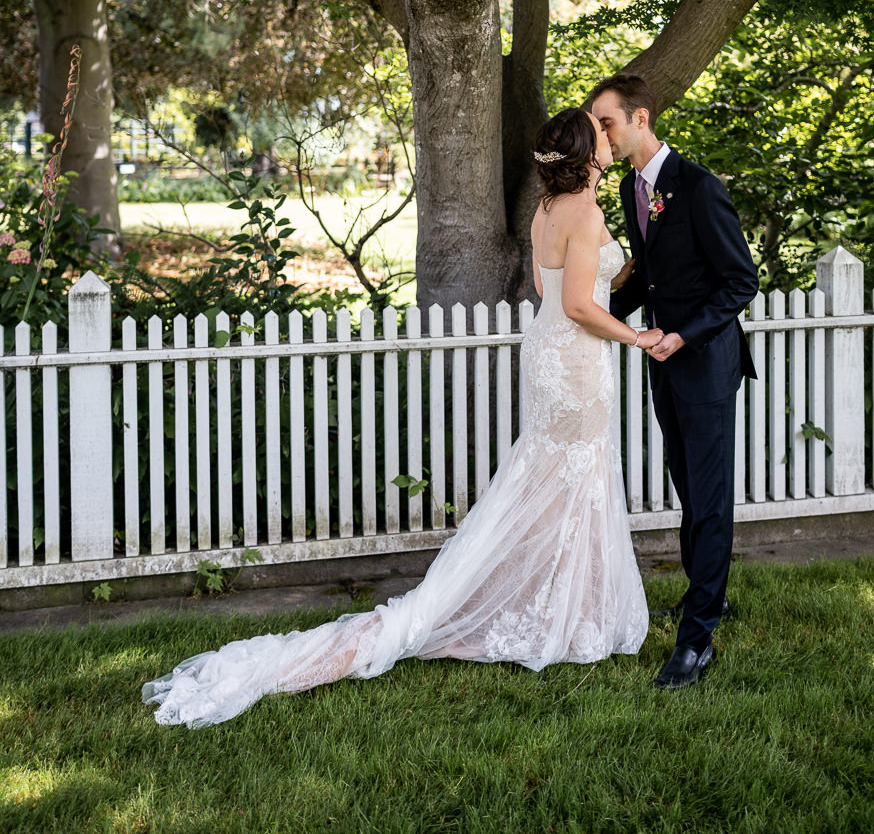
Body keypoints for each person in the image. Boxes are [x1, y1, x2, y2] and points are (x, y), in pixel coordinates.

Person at [143, 107, 659, 728]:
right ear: (586, 151)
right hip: (577, 362)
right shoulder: (587, 211)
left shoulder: (547, 211)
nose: (609, 139)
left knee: (551, 483)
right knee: (571, 482)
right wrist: (637, 338)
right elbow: (578, 304)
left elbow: (554, 295)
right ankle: (568, 613)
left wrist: (629, 271)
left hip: (548, 355)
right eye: (600, 133)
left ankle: (567, 605)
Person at [590, 73, 759, 691]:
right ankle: (701, 601)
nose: (600, 134)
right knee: (689, 489)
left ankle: (697, 640)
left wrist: (683, 335)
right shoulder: (635, 188)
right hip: (663, 363)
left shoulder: (697, 187)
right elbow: (650, 281)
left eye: (606, 122)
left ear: (641, 118)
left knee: (710, 498)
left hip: (704, 363)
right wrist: (594, 315)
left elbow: (740, 282)